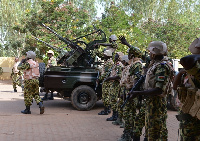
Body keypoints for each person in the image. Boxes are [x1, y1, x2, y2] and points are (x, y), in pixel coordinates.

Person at [128, 41, 173, 141]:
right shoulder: (154, 64)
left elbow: (158, 90)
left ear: (154, 53)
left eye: (150, 52)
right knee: (150, 130)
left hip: (156, 104)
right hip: (150, 102)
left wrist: (138, 93)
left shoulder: (161, 66)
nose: (149, 54)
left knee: (155, 131)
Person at [173, 38, 200, 141]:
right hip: (188, 119)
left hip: (196, 121)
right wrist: (180, 73)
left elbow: (186, 60)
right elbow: (175, 87)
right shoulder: (191, 70)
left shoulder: (196, 69)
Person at [104, 52, 124, 121]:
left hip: (116, 83)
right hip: (113, 83)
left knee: (113, 99)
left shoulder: (119, 65)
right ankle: (115, 115)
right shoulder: (115, 64)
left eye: (116, 55)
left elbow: (119, 76)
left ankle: (115, 115)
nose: (114, 56)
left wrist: (110, 78)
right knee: (112, 99)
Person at [98, 49, 114, 115]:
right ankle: (106, 109)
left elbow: (106, 73)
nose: (103, 56)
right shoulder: (107, 62)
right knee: (105, 96)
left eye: (105, 55)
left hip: (107, 81)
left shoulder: (109, 63)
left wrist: (100, 78)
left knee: (106, 96)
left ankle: (106, 110)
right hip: (106, 81)